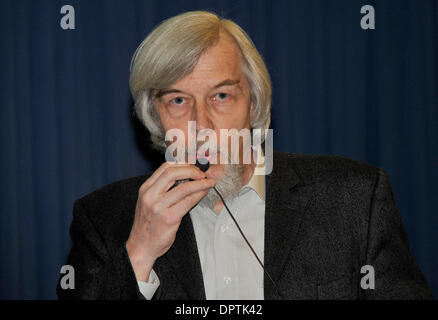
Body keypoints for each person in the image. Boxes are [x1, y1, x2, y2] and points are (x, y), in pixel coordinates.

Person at [57, 11, 433, 300]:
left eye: (221, 96)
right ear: (154, 115)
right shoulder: (104, 218)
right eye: (178, 100)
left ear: (253, 103)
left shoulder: (354, 198)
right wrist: (138, 253)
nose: (200, 123)